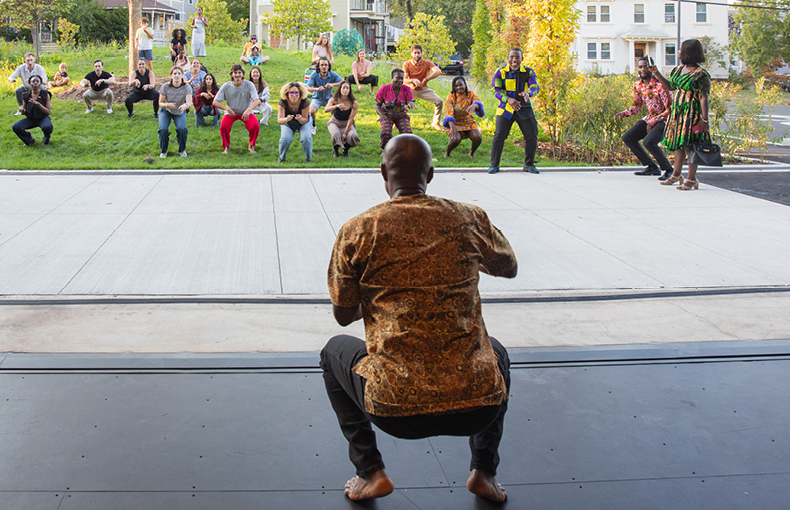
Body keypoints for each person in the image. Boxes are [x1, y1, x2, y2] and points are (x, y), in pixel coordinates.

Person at [322, 133, 516, 503]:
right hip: (477, 405)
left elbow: (343, 315)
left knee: (332, 353)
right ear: (431, 174)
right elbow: (508, 266)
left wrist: (380, 296)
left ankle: (370, 471)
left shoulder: (358, 231)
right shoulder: (467, 217)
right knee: (497, 353)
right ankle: (484, 472)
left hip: (394, 407)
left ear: (383, 172)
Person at [651, 39, 712, 191]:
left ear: (688, 53)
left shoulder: (701, 74)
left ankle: (692, 178)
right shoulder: (678, 70)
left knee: (691, 145)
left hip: (692, 113)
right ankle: (676, 174)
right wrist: (656, 73)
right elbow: (670, 87)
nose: (678, 52)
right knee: (679, 144)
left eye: (680, 50)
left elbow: (704, 97)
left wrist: (704, 119)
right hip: (678, 112)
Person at [614, 57, 673, 180]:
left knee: (649, 142)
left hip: (665, 119)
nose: (643, 69)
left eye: (646, 66)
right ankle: (652, 167)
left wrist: (654, 120)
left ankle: (669, 169)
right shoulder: (638, 85)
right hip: (650, 118)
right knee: (628, 137)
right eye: (640, 67)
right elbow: (637, 106)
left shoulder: (661, 85)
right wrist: (625, 113)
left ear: (652, 67)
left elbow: (671, 109)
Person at [488, 48, 539, 175]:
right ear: (508, 58)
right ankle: (494, 165)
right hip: (505, 108)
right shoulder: (500, 72)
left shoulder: (528, 72)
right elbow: (495, 89)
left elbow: (535, 86)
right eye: (512, 57)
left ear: (522, 59)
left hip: (524, 108)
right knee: (499, 136)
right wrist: (508, 99)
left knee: (532, 135)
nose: (514, 60)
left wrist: (528, 93)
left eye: (517, 57)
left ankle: (529, 164)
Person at [213, 64, 261, 154]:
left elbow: (257, 100)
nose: (237, 75)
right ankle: (227, 146)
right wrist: (227, 108)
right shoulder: (226, 86)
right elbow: (215, 102)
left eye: (239, 73)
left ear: (243, 74)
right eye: (235, 73)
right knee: (223, 127)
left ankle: (251, 145)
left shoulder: (249, 84)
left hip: (246, 112)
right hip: (231, 113)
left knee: (255, 126)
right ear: (232, 74)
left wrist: (248, 110)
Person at [402, 44, 444, 131]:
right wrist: (412, 80)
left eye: (418, 53)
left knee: (439, 101)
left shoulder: (427, 63)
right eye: (415, 53)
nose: (417, 55)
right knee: (398, 100)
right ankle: (397, 122)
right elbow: (404, 80)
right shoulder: (407, 64)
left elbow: (438, 71)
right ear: (411, 54)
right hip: (410, 90)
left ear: (421, 53)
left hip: (423, 89)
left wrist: (427, 78)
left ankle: (436, 123)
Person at [443, 76, 484, 158]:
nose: (459, 87)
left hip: (467, 121)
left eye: (460, 85)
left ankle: (471, 153)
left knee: (477, 137)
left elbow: (478, 102)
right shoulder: (451, 96)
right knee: (455, 139)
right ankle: (447, 154)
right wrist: (452, 128)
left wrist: (475, 105)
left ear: (465, 84)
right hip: (454, 123)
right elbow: (448, 114)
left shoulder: (470, 94)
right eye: (456, 86)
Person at [375, 68, 415, 149]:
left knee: (407, 133)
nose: (400, 80)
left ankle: (402, 149)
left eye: (402, 78)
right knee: (385, 133)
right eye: (397, 78)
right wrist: (381, 115)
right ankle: (387, 149)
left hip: (401, 115)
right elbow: (377, 104)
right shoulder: (384, 88)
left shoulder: (406, 89)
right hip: (387, 115)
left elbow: (410, 100)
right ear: (392, 78)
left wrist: (411, 104)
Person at [158, 66, 192, 158]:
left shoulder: (187, 87)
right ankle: (164, 151)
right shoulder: (165, 86)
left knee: (181, 129)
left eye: (179, 73)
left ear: (182, 75)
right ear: (171, 75)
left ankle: (182, 150)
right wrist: (167, 105)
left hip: (179, 112)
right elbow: (160, 103)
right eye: (175, 73)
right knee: (163, 129)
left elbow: (189, 102)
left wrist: (185, 106)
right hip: (166, 110)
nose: (177, 75)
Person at [306, 58, 344, 136]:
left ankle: (338, 126)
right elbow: (308, 87)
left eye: (326, 65)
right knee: (311, 111)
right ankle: (313, 125)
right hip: (317, 98)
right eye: (322, 65)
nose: (324, 67)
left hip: (329, 98)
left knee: (340, 108)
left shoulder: (332, 74)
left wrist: (332, 84)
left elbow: (343, 82)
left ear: (328, 66)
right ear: (318, 66)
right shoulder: (314, 75)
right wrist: (317, 88)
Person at [12, 75, 52, 146]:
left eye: (37, 81)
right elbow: (24, 111)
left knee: (47, 126)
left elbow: (48, 112)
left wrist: (38, 104)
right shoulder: (26, 95)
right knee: (16, 127)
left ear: (40, 84)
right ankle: (29, 140)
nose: (35, 83)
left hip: (42, 118)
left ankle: (46, 137)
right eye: (33, 81)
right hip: (31, 119)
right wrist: (22, 111)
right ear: (30, 84)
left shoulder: (45, 94)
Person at [277, 81, 312, 162]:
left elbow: (305, 119)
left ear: (300, 94)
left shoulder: (304, 102)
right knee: (285, 139)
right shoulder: (282, 102)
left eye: (296, 93)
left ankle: (308, 158)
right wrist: (286, 119)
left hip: (303, 122)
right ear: (287, 94)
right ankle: (282, 158)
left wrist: (300, 119)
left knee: (306, 138)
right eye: (291, 93)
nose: (294, 95)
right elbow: (279, 120)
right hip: (288, 122)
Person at [325, 80, 360, 157]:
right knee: (335, 134)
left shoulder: (353, 103)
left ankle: (346, 149)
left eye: (347, 88)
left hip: (347, 123)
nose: (345, 90)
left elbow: (351, 118)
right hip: (335, 122)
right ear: (340, 89)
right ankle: (336, 150)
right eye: (343, 88)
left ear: (349, 90)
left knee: (352, 135)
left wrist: (345, 133)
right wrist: (336, 106)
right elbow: (326, 110)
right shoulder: (334, 100)